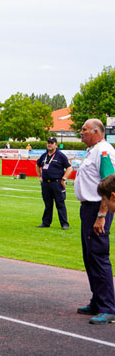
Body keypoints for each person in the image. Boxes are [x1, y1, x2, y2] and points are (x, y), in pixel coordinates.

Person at [74, 118, 115, 325]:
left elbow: (109, 185)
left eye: (85, 129)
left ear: (97, 131)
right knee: (89, 257)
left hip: (97, 210)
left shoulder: (104, 151)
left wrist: (101, 215)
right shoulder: (93, 150)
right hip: (88, 209)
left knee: (98, 256)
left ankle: (108, 307)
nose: (81, 132)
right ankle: (98, 301)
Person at [35, 137, 72, 229]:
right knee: (48, 204)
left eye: (52, 143)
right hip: (46, 184)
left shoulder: (60, 155)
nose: (49, 144)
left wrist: (64, 178)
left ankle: (64, 224)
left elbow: (69, 167)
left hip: (57, 183)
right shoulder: (44, 155)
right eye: (48, 142)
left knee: (60, 204)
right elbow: (37, 165)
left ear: (56, 145)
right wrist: (40, 176)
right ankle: (46, 222)